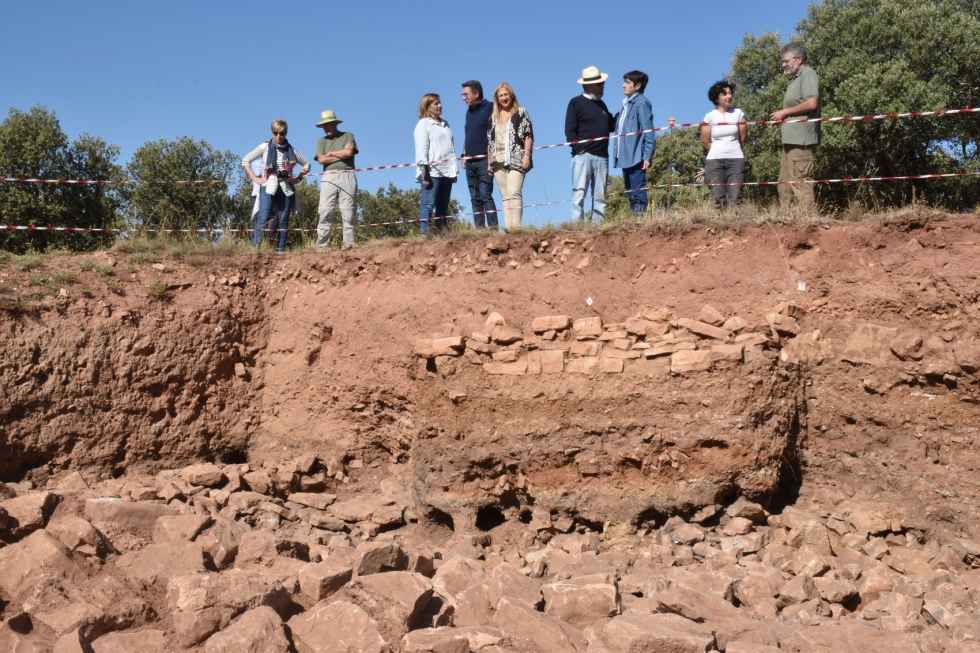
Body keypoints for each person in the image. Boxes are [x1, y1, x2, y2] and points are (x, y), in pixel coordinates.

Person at [242, 119, 310, 253]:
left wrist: (299, 177)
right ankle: (255, 249)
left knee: (284, 219)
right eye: (276, 133)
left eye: (282, 133)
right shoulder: (265, 146)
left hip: (286, 186)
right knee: (263, 216)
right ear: (272, 132)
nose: (279, 136)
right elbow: (245, 160)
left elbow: (307, 164)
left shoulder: (291, 150)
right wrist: (255, 178)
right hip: (268, 185)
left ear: (286, 133)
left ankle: (281, 251)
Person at [771, 42, 820, 209]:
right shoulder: (795, 81)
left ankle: (809, 224)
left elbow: (812, 103)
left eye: (786, 61)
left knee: (801, 184)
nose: (783, 65)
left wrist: (784, 112)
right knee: (784, 186)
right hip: (790, 142)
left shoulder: (808, 74)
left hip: (801, 141)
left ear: (798, 59)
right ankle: (788, 224)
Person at [565, 65, 615, 221]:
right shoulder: (575, 103)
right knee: (579, 195)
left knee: (600, 197)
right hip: (582, 157)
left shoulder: (602, 105)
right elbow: (569, 130)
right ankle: (577, 228)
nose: (602, 86)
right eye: (600, 84)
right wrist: (579, 149)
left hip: (602, 158)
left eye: (602, 83)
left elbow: (611, 126)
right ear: (589, 85)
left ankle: (597, 229)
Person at [487, 82, 534, 232]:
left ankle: (516, 228)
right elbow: (490, 142)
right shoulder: (493, 118)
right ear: (497, 98)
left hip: (517, 158)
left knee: (514, 192)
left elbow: (528, 135)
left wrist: (527, 155)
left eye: (506, 94)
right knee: (505, 196)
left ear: (511, 95)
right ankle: (509, 229)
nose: (504, 98)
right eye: (501, 95)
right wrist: (489, 162)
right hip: (498, 161)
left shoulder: (521, 112)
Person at [314, 110, 359, 249]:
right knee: (325, 211)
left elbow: (349, 152)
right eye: (324, 125)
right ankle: (322, 246)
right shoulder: (321, 141)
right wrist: (342, 154)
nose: (326, 127)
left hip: (347, 174)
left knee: (348, 212)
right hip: (329, 176)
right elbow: (321, 159)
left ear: (335, 124)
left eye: (328, 124)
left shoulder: (348, 135)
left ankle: (349, 244)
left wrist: (332, 153)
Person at [414, 93, 458, 235]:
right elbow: (422, 148)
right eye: (436, 104)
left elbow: (451, 148)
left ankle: (441, 233)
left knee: (443, 206)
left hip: (447, 171)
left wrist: (454, 169)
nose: (440, 106)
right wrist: (424, 171)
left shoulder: (446, 124)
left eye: (440, 103)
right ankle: (424, 233)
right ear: (427, 106)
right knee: (428, 203)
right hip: (431, 171)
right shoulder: (423, 124)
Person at [612, 70, 656, 215]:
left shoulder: (641, 103)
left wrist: (647, 156)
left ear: (637, 86)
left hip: (637, 157)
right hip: (625, 157)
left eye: (627, 83)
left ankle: (639, 221)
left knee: (638, 193)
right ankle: (635, 219)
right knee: (631, 193)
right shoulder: (626, 105)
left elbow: (648, 130)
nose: (623, 85)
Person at [700, 80, 748, 209]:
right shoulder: (709, 117)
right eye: (725, 94)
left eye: (730, 93)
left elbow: (743, 137)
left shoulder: (739, 114)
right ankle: (720, 223)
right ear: (717, 97)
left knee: (735, 196)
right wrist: (717, 149)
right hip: (714, 161)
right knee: (718, 197)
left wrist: (732, 148)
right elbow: (705, 140)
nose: (729, 96)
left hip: (736, 159)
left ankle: (735, 223)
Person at [461, 81, 498, 230]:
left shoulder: (490, 108)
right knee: (474, 198)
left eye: (466, 94)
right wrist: (463, 154)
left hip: (485, 160)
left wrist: (491, 158)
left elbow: (494, 134)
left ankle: (494, 230)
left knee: (485, 195)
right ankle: (480, 231)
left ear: (476, 94)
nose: (463, 98)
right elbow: (468, 134)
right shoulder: (469, 111)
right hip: (470, 162)